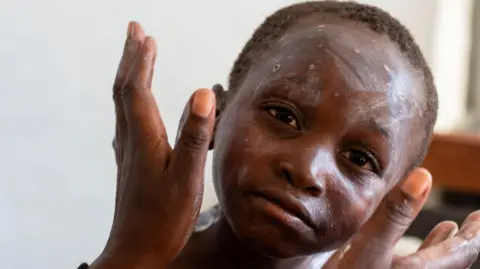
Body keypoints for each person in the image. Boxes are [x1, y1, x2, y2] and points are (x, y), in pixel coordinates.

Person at [80, 1, 480, 269]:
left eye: (360, 159)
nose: (306, 170)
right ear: (218, 113)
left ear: (387, 201)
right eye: (283, 116)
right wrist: (131, 255)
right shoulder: (141, 253)